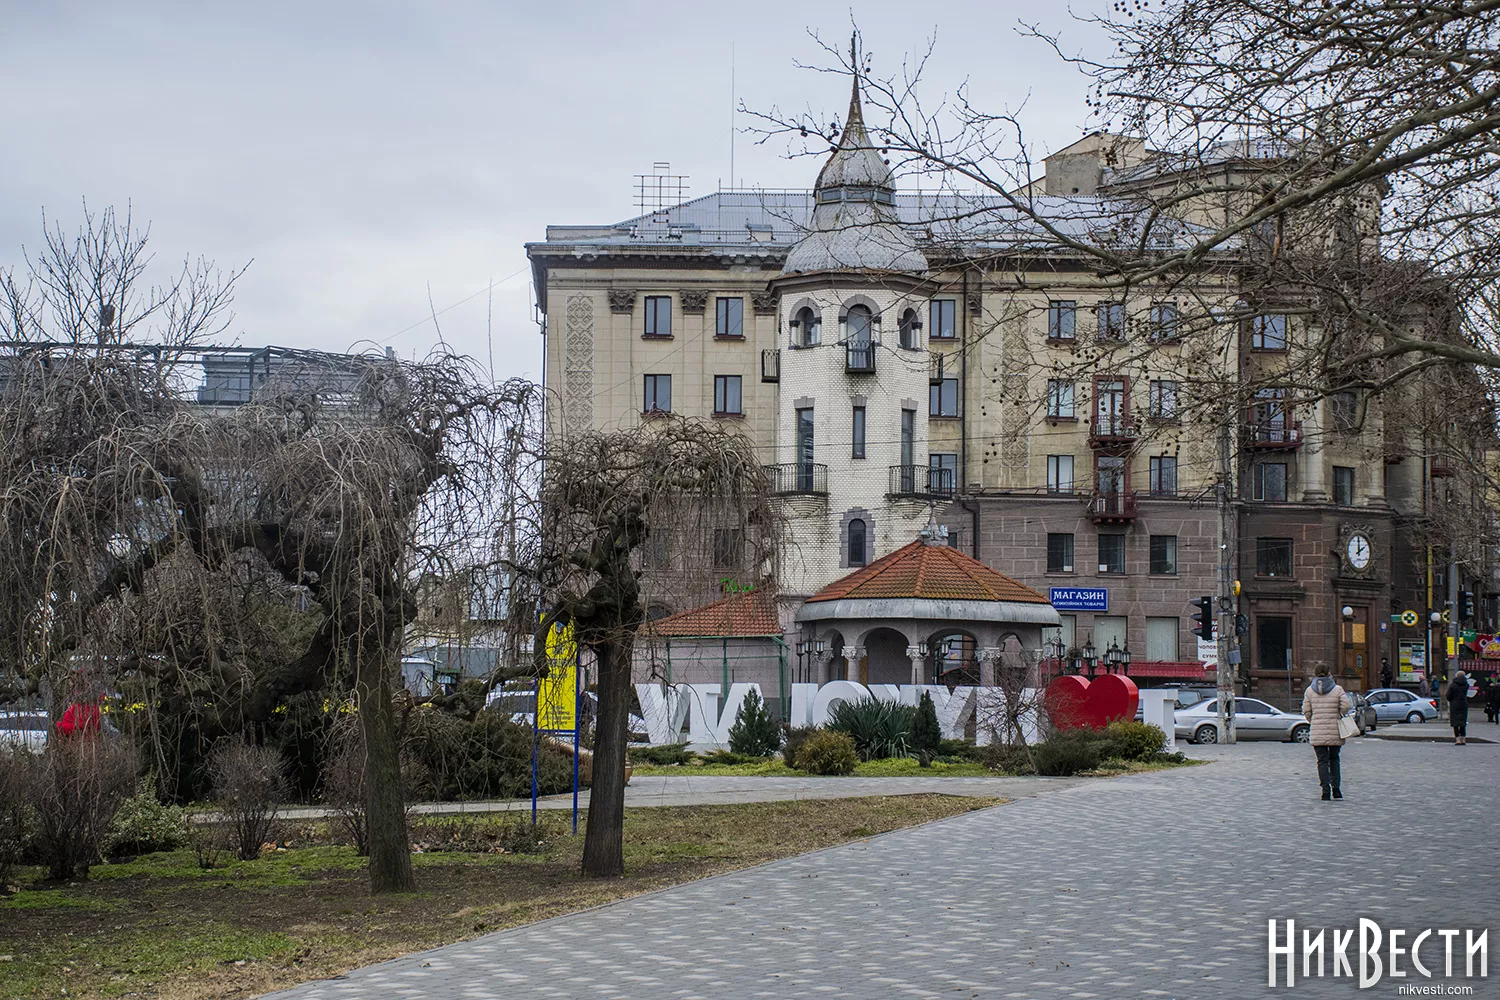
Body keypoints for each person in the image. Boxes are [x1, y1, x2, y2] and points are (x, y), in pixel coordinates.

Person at [1302, 663, 1354, 801]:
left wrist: (1313, 720)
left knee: (1322, 761)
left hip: (1318, 731)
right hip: (1334, 730)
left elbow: (1306, 710)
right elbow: (1346, 705)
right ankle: (1336, 789)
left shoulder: (1309, 691)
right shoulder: (1337, 689)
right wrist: (1338, 714)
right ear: (1329, 673)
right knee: (1334, 759)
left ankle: (1325, 790)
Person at [1447, 669, 1470, 745]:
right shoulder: (1466, 684)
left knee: (1455, 722)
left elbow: (1448, 696)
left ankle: (1457, 739)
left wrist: (1452, 700)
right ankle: (1463, 739)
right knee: (1462, 722)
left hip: (1455, 705)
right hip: (1463, 704)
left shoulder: (1453, 685)